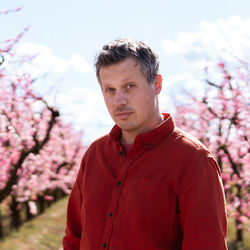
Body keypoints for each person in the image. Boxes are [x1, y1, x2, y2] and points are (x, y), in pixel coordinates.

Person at [63, 38, 228, 250]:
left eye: (129, 86)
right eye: (109, 90)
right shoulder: (95, 154)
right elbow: (74, 236)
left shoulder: (194, 161)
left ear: (156, 84)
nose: (118, 101)